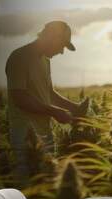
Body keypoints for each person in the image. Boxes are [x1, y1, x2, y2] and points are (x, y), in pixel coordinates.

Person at [5, 21, 82, 180]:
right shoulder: (19, 57)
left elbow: (49, 93)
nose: (61, 52)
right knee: (27, 184)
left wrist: (74, 107)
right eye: (61, 46)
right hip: (25, 136)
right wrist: (54, 112)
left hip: (45, 132)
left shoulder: (45, 61)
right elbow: (19, 97)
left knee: (47, 181)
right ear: (52, 38)